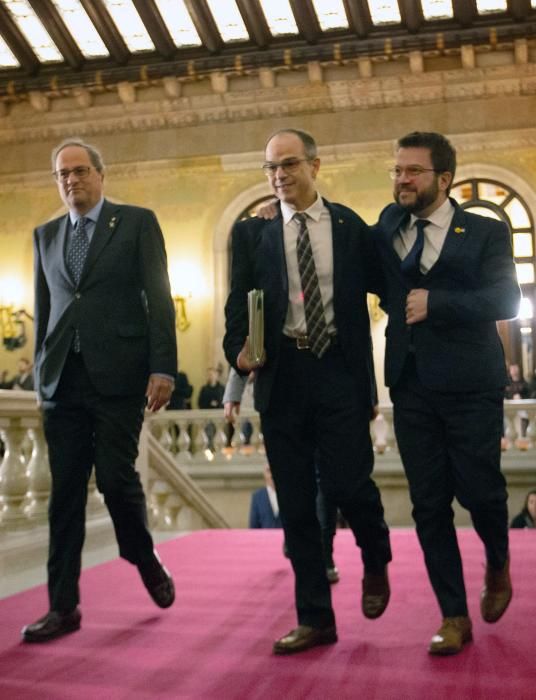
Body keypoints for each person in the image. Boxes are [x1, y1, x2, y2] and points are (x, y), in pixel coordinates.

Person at [224, 127, 391, 655]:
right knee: (296, 505)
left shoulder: (350, 228)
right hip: (283, 378)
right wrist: (237, 350)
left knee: (349, 485)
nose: (279, 176)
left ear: (315, 166)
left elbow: (391, 286)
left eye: (289, 164)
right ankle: (315, 617)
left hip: (339, 372)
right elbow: (235, 306)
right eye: (271, 167)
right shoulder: (252, 235)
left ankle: (376, 557)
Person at [24, 137, 177, 643]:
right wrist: (42, 373)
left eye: (80, 171)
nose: (72, 181)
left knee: (115, 480)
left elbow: (158, 297)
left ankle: (143, 556)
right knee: (63, 496)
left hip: (119, 378)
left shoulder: (135, 223)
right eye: (62, 174)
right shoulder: (45, 236)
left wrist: (164, 368)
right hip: (62, 384)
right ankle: (62, 607)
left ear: (100, 174)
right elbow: (45, 314)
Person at [374, 131, 521, 655]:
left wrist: (437, 304)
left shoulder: (483, 230)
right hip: (410, 384)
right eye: (397, 170)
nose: (402, 179)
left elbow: (505, 297)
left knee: (480, 491)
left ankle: (498, 561)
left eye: (412, 171)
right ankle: (453, 615)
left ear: (443, 178)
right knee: (428, 504)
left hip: (470, 384)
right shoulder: (389, 224)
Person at [225, 368, 341, 583]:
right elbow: (250, 336)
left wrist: (366, 393)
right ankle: (293, 531)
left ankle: (325, 555)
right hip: (280, 391)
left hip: (326, 387)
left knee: (324, 479)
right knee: (291, 474)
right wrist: (234, 389)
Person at [249, 463, 283, 529]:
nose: (272, 475)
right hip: (265, 538)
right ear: (264, 474)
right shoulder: (257, 497)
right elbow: (253, 526)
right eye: (269, 471)